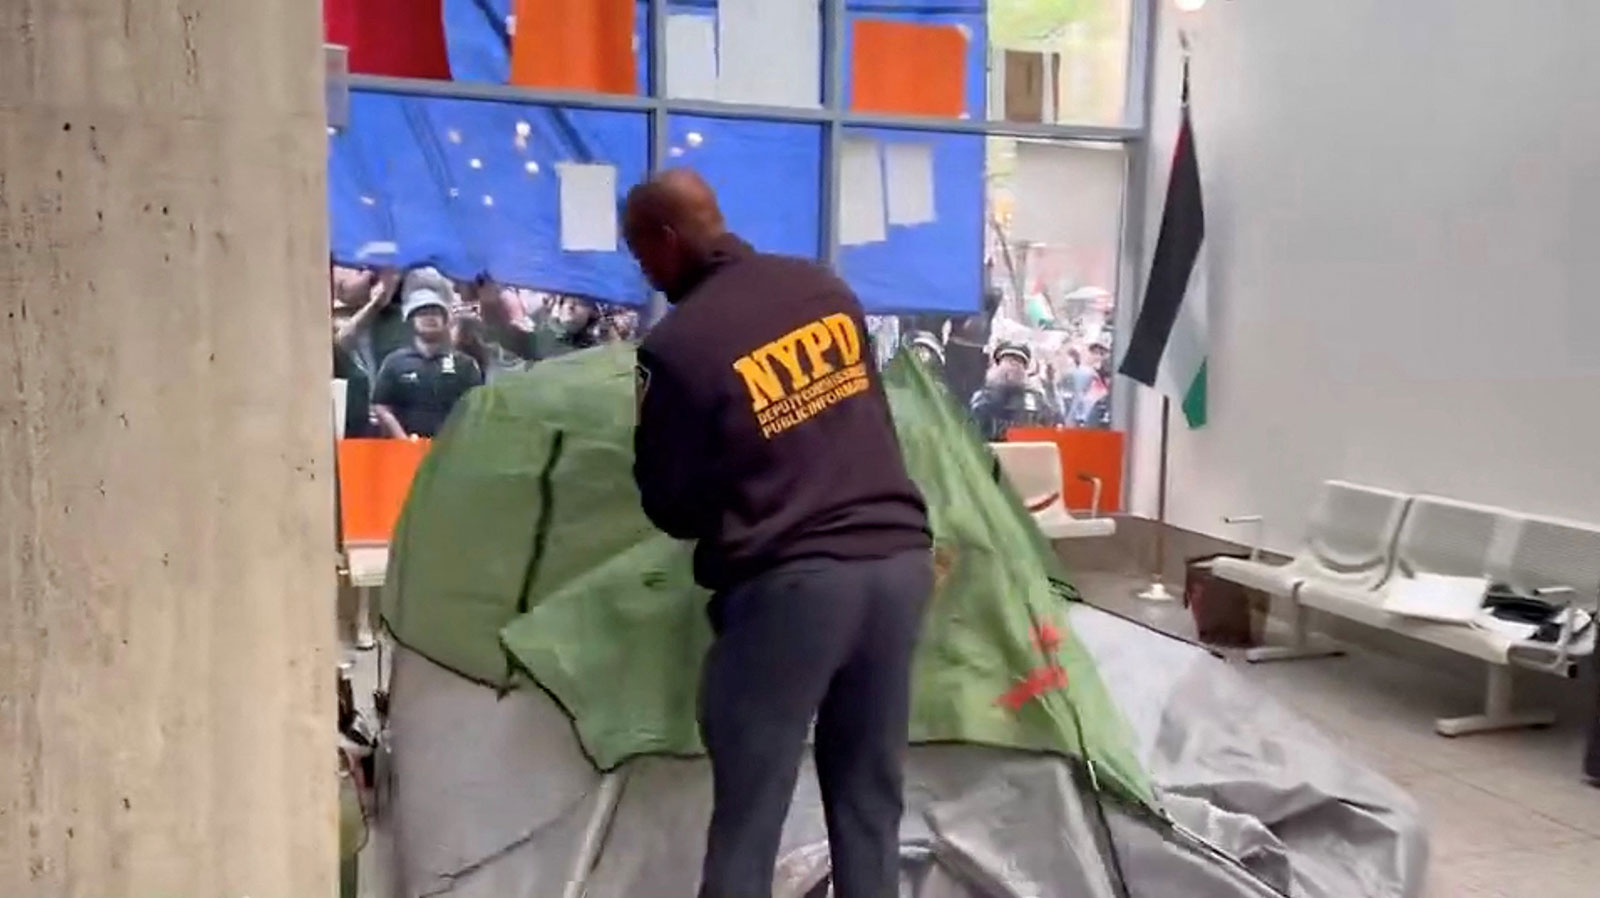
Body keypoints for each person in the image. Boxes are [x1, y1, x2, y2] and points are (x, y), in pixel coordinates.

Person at [622, 169, 933, 898]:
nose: (647, 274)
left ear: (667, 240)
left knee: (749, 816)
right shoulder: (825, 291)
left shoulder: (678, 348)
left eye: (643, 257)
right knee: (867, 804)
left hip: (793, 590)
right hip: (897, 565)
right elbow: (867, 423)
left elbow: (669, 503)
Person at [370, 281, 483, 439]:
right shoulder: (395, 362)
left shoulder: (465, 364)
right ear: (411, 319)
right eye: (422, 312)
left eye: (435, 312)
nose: (429, 317)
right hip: (405, 449)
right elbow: (381, 406)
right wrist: (403, 439)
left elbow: (476, 407)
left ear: (445, 320)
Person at [969, 342, 1058, 441]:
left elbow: (1053, 420)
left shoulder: (1035, 398)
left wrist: (1050, 385)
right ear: (998, 366)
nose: (1014, 365)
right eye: (1009, 360)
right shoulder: (983, 395)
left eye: (1019, 361)